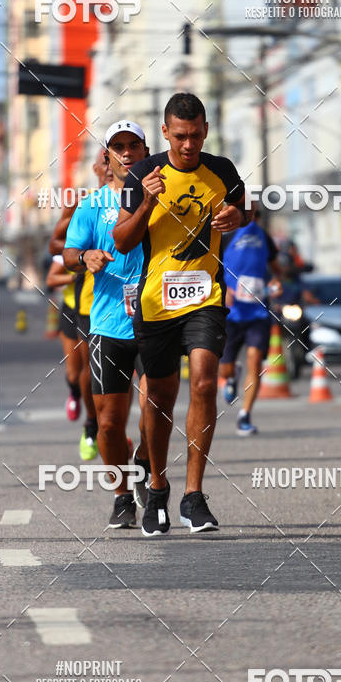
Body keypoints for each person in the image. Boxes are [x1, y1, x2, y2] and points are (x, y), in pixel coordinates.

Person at [113, 93, 248, 536]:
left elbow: (246, 210)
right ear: (166, 133)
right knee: (159, 397)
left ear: (205, 131)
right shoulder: (142, 174)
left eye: (195, 136)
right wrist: (148, 204)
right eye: (180, 136)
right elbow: (122, 240)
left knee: (205, 381)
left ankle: (194, 495)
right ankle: (156, 487)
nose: (188, 145)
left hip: (205, 296)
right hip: (156, 302)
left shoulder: (222, 171)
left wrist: (237, 216)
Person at [64, 121, 150, 528]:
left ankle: (145, 460)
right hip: (109, 324)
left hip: (157, 320)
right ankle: (121, 496)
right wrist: (85, 258)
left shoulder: (162, 195)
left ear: (147, 151)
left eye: (134, 145)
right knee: (110, 423)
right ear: (107, 155)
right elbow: (68, 253)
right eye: (118, 147)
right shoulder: (92, 204)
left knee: (154, 409)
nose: (127, 153)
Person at [48, 149, 111, 459]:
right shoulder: (83, 203)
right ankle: (91, 422)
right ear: (96, 168)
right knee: (81, 372)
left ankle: (116, 432)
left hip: (130, 302)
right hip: (83, 303)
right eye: (105, 161)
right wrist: (81, 253)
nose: (111, 166)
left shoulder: (142, 198)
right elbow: (55, 245)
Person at [219, 206, 282, 435]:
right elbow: (212, 266)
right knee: (224, 369)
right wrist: (224, 289)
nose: (251, 220)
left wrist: (275, 282)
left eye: (254, 215)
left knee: (255, 362)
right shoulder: (226, 236)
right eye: (246, 215)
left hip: (258, 313)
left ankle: (244, 415)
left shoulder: (264, 237)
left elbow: (275, 269)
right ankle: (231, 377)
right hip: (231, 313)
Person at [45, 255, 82, 420]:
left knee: (95, 371)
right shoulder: (70, 245)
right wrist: (75, 277)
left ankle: (92, 422)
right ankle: (75, 393)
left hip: (100, 311)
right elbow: (51, 279)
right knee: (74, 374)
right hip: (72, 312)